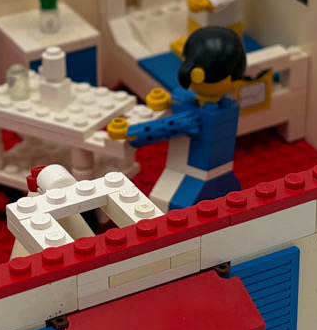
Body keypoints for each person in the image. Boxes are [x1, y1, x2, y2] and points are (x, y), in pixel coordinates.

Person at [106, 27, 251, 209]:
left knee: (164, 203)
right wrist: (168, 101)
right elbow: (183, 100)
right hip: (223, 174)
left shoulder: (196, 118)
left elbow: (166, 127)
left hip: (192, 176)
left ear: (197, 74)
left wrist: (130, 132)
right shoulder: (227, 107)